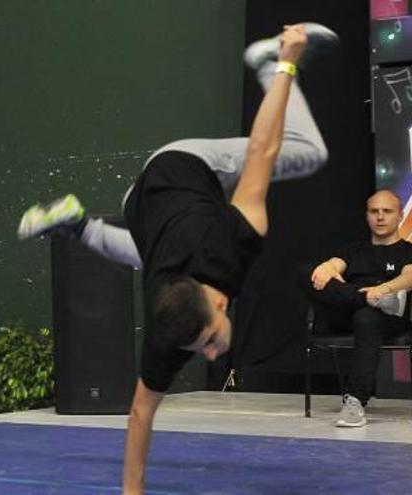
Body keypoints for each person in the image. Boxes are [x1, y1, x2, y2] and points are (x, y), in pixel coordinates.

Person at [18, 24, 335, 494]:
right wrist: (132, 492)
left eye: (208, 342)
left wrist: (288, 62)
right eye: (203, 351)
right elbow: (140, 413)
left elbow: (261, 149)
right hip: (139, 207)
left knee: (309, 153)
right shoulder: (172, 325)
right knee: (146, 257)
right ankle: (78, 225)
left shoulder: (233, 241)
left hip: (186, 165)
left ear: (220, 306)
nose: (211, 353)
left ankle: (265, 60)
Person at [302, 190, 412, 427]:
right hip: (348, 311)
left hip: (389, 320)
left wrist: (382, 290)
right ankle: (365, 300)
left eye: (387, 211)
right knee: (305, 273)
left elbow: (410, 276)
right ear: (367, 215)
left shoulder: (407, 251)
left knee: (366, 316)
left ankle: (355, 401)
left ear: (400, 215)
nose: (380, 217)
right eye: (374, 211)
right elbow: (330, 267)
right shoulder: (354, 250)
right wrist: (326, 268)